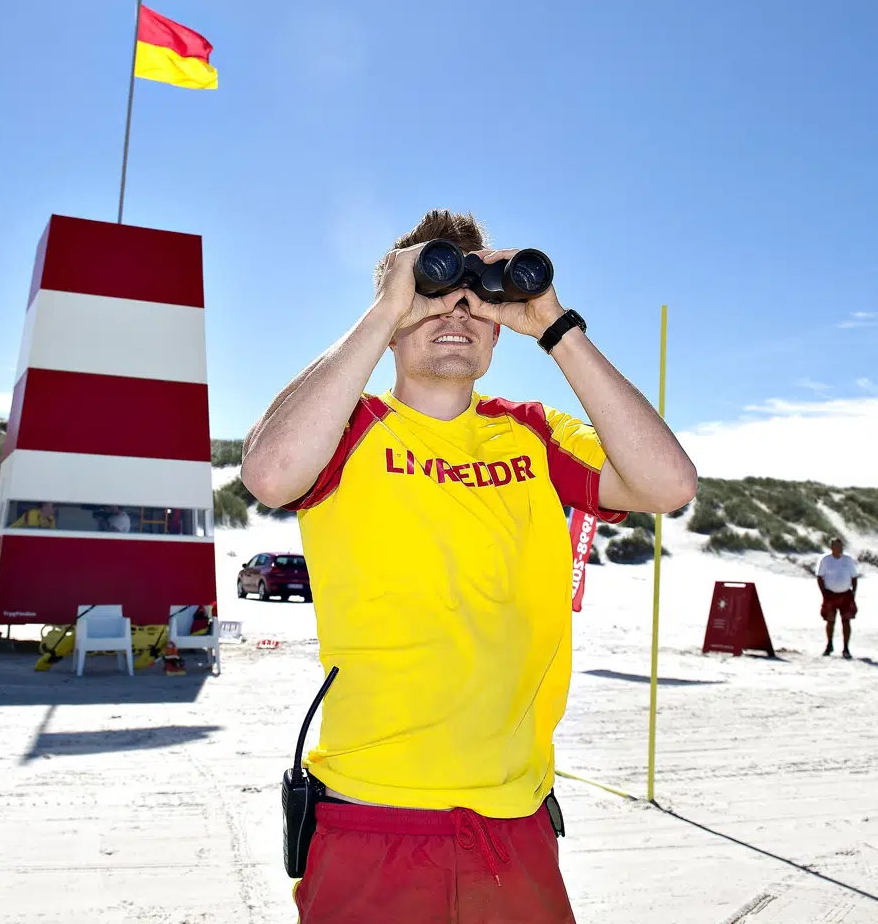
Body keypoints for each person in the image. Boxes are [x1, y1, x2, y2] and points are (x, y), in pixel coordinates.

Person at [240, 210, 698, 923]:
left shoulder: (534, 435)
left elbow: (668, 484)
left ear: (495, 323)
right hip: (370, 816)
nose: (456, 313)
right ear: (395, 314)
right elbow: (270, 473)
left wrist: (552, 323)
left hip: (513, 822)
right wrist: (389, 303)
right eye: (434, 293)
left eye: (477, 297)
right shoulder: (349, 426)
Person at [817, 538, 859, 659]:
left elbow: (854, 577)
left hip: (845, 594)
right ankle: (829, 644)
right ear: (832, 547)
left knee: (846, 620)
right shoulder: (825, 559)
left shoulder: (848, 559)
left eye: (841, 547)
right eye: (837, 547)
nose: (839, 549)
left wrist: (853, 592)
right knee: (830, 621)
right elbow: (819, 576)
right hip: (830, 594)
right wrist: (823, 593)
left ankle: (846, 647)